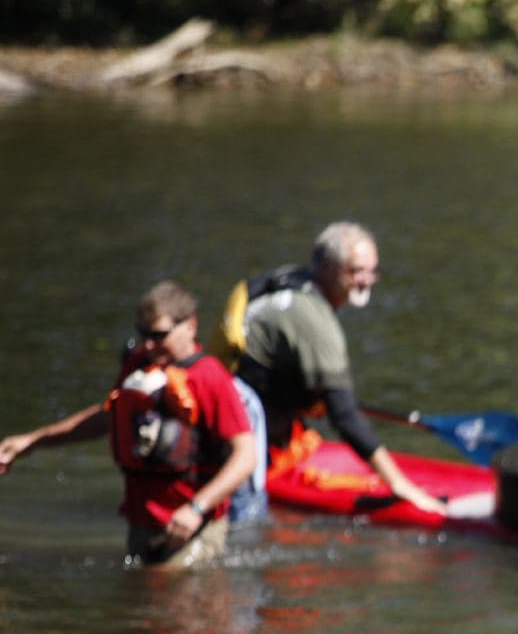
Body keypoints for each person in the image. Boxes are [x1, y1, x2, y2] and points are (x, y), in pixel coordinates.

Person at [0, 281, 258, 567]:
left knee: (170, 596)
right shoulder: (138, 366)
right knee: (144, 601)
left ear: (190, 326)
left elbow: (246, 455)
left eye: (159, 335)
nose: (148, 344)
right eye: (143, 334)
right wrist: (32, 441)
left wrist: (196, 508)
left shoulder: (210, 378)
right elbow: (108, 416)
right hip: (142, 524)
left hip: (194, 527)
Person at [233, 221, 447, 516]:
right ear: (325, 268)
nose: (367, 280)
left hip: (254, 411)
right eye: (356, 271)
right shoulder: (314, 321)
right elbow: (344, 416)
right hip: (243, 440)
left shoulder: (288, 280)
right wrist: (400, 485)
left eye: (373, 271)